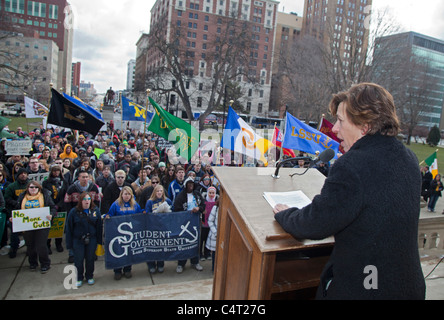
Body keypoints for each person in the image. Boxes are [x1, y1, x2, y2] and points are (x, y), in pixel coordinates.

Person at [273, 83, 425, 300]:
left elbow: (316, 223)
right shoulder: (408, 158)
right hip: (407, 287)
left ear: (364, 124)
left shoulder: (353, 165)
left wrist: (285, 214)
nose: (334, 129)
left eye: (341, 121)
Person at [15, 181, 56, 273]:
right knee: (30, 245)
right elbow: (17, 209)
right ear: (27, 188)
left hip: (42, 225)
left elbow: (53, 207)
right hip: (27, 226)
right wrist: (13, 218)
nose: (33, 189)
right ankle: (33, 263)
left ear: (39, 188)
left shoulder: (44, 196)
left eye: (36, 187)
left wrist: (51, 214)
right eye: (31, 187)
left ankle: (45, 263)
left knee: (41, 245)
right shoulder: (22, 197)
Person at [66, 191, 103, 287]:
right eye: (84, 199)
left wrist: (99, 242)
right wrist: (69, 244)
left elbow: (99, 227)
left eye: (88, 199)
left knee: (90, 259)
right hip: (78, 240)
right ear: (80, 201)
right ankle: (79, 277)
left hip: (92, 239)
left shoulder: (95, 210)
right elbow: (69, 228)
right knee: (78, 260)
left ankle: (89, 276)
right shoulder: (73, 212)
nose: (87, 201)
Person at [105, 186, 142, 280]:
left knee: (129, 251)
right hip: (118, 233)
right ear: (121, 195)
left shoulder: (135, 204)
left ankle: (127, 269)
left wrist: (144, 212)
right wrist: (107, 216)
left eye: (129, 194)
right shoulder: (116, 204)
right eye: (125, 194)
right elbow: (110, 214)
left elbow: (139, 214)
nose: (127, 196)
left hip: (130, 232)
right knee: (118, 251)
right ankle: (117, 270)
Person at [173, 177, 205, 273]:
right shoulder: (181, 196)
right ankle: (181, 263)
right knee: (184, 243)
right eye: (189, 184)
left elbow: (203, 205)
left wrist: (198, 208)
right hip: (185, 224)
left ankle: (195, 262)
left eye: (192, 184)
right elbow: (176, 208)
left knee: (196, 243)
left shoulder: (197, 194)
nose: (190, 186)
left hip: (196, 222)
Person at [145, 184, 172, 274]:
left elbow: (172, 211)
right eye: (157, 191)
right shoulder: (150, 202)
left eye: (161, 191)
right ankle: (151, 265)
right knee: (152, 247)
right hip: (153, 227)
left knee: (161, 247)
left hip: (163, 227)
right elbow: (147, 214)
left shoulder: (167, 200)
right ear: (154, 192)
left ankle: (161, 264)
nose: (159, 193)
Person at [42, 165, 68, 254]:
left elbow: (66, 194)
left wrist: (59, 204)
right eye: (54, 171)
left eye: (58, 171)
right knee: (49, 227)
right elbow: (45, 195)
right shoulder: (46, 183)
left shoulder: (64, 181)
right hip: (50, 207)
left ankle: (58, 244)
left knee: (59, 227)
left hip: (61, 206)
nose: (56, 173)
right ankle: (47, 245)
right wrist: (52, 205)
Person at [201, 186, 218, 261]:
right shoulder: (204, 200)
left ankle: (207, 253)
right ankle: (200, 253)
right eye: (210, 193)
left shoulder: (216, 202)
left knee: (209, 238)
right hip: (204, 223)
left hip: (211, 224)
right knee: (202, 239)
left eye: (213, 193)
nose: (211, 194)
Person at [206, 200, 219, 272]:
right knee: (215, 253)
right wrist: (215, 232)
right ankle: (214, 269)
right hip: (216, 234)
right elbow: (210, 221)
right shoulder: (215, 208)